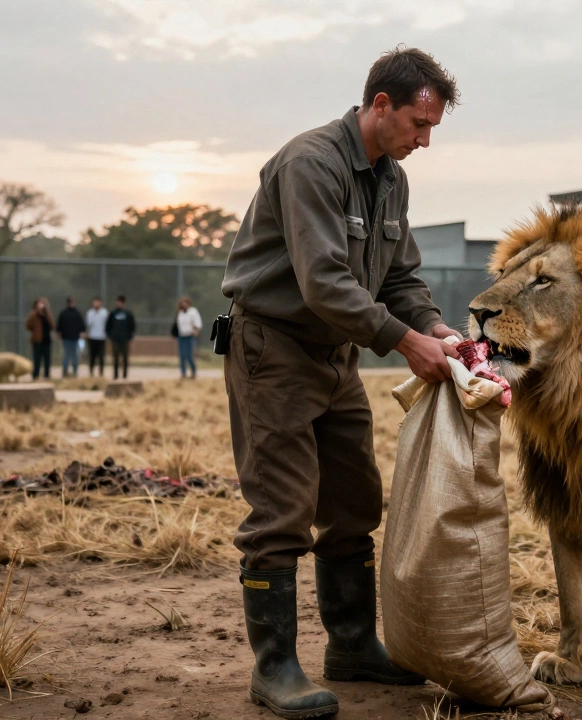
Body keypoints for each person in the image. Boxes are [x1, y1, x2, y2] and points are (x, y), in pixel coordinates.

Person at [220, 47, 461, 718]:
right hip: (276, 347)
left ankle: (352, 645)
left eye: (432, 127)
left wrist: (434, 328)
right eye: (419, 123)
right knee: (282, 509)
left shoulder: (391, 180)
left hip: (335, 354)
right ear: (379, 106)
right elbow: (323, 281)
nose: (425, 139)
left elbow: (400, 278)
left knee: (356, 500)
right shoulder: (311, 164)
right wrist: (402, 341)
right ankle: (274, 669)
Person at [105, 295, 136, 380]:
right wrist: (110, 335)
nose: (118, 304)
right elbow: (108, 326)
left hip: (125, 338)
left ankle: (125, 375)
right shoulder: (112, 313)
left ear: (123, 303)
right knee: (115, 357)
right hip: (115, 338)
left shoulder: (128, 314)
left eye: (120, 302)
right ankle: (115, 374)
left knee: (125, 357)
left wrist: (130, 337)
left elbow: (132, 326)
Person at [56, 296, 86, 378]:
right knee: (67, 355)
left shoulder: (77, 313)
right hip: (66, 338)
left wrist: (82, 332)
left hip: (75, 338)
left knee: (75, 356)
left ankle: (75, 371)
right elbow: (59, 325)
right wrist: (59, 334)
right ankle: (65, 371)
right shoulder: (64, 313)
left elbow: (82, 325)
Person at [25, 297, 54, 380]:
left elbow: (52, 325)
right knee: (37, 359)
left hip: (47, 340)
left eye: (43, 303)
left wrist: (46, 315)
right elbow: (28, 325)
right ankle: (35, 375)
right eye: (40, 303)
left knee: (47, 359)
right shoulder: (33, 315)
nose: (42, 305)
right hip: (37, 341)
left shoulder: (48, 315)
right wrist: (34, 331)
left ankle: (46, 375)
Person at [174, 297, 202, 379]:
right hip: (182, 336)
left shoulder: (193, 311)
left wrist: (196, 330)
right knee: (182, 355)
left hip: (190, 336)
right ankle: (183, 373)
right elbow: (177, 324)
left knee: (189, 355)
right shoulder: (180, 313)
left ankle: (193, 372)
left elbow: (197, 322)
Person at [84, 297, 108, 377]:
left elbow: (107, 325)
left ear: (100, 303)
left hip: (102, 337)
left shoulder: (105, 313)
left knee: (101, 356)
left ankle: (101, 373)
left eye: (98, 302)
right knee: (92, 356)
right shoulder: (90, 313)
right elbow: (87, 324)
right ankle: (91, 372)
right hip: (92, 337)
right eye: (95, 302)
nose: (96, 304)